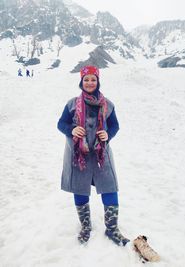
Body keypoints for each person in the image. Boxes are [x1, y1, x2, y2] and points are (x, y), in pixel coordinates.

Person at [57, 65, 130, 246]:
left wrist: (108, 135)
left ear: (98, 82)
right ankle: (86, 227)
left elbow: (114, 126)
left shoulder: (108, 105)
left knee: (110, 187)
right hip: (77, 154)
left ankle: (112, 229)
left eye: (93, 79)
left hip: (101, 154)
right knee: (80, 188)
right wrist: (72, 129)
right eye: (86, 79)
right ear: (81, 82)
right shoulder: (72, 104)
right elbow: (61, 124)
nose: (90, 82)